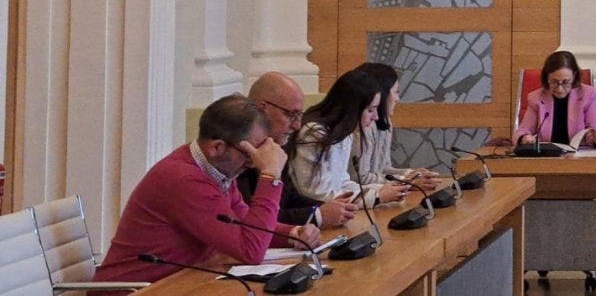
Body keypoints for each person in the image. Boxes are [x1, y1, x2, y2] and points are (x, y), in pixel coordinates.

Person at [94, 95, 320, 287]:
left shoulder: (215, 170)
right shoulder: (184, 179)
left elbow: (246, 226)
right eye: (250, 154)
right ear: (217, 147)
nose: (254, 162)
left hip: (180, 283)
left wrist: (292, 234)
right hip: (134, 291)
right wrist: (270, 177)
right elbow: (250, 250)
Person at [237, 71, 357, 228]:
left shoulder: (274, 146)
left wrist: (328, 207)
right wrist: (317, 215)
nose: (297, 125)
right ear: (262, 108)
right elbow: (255, 220)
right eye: (291, 115)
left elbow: (289, 198)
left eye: (299, 115)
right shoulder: (238, 152)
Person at [288, 70, 413, 207]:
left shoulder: (345, 134)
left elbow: (343, 183)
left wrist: (382, 189)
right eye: (370, 110)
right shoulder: (314, 134)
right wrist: (376, 197)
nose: (376, 117)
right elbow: (317, 195)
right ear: (352, 108)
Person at [351, 62, 443, 189]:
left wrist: (412, 174)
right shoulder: (361, 127)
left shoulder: (385, 122)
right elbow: (360, 178)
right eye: (396, 92)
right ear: (381, 94)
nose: (397, 98)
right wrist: (407, 181)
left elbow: (384, 168)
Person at [514, 50, 596, 147]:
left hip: (578, 154)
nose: (559, 89)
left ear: (574, 76)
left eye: (566, 82)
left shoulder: (588, 94)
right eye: (554, 82)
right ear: (547, 78)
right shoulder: (536, 97)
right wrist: (524, 138)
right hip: (547, 154)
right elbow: (523, 131)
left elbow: (595, 131)